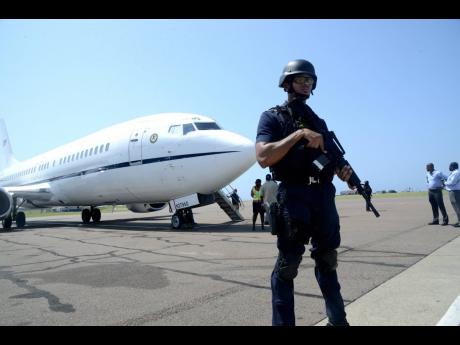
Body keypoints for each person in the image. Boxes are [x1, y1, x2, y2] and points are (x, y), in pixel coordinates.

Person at [256, 59, 353, 326]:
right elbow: (263, 157)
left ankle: (338, 321)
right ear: (287, 84)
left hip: (322, 196)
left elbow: (326, 158)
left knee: (328, 261)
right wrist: (298, 134)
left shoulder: (317, 120)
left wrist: (340, 170)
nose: (306, 84)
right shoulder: (272, 117)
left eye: (310, 80)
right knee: (287, 266)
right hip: (294, 196)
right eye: (301, 79)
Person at [444, 162, 460, 227]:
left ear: (453, 166)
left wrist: (444, 182)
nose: (449, 167)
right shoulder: (454, 173)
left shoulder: (456, 173)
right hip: (452, 191)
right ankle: (459, 221)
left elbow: (452, 182)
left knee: (457, 206)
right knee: (456, 206)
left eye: (450, 166)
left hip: (455, 192)